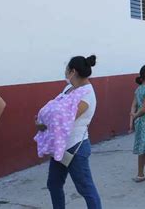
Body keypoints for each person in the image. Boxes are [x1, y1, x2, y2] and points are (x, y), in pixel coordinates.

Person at [41, 55, 102, 208]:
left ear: (73, 71)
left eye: (66, 70)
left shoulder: (87, 94)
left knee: (86, 189)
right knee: (53, 184)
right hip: (60, 145)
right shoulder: (69, 88)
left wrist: (45, 121)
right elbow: (55, 109)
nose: (65, 73)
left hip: (75, 148)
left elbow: (66, 118)